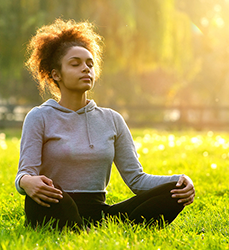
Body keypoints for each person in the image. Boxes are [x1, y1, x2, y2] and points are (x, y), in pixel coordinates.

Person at [15, 19, 195, 231]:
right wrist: (26, 182)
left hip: (99, 212)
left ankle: (84, 228)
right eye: (75, 64)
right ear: (56, 74)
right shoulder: (39, 117)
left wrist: (181, 181)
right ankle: (79, 228)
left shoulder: (112, 119)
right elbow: (25, 173)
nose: (86, 69)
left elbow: (137, 179)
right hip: (55, 203)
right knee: (53, 201)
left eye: (90, 64)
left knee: (174, 192)